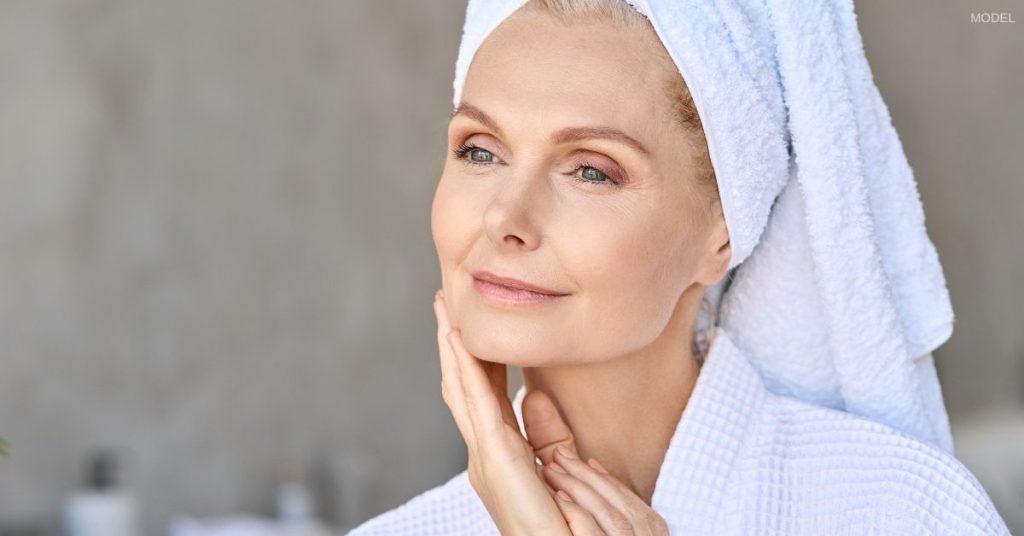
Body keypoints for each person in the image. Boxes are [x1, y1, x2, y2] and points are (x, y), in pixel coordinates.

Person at [350, 0, 1010, 534]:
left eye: (590, 170)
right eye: (480, 152)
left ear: (723, 233)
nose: (504, 219)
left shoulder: (904, 510)